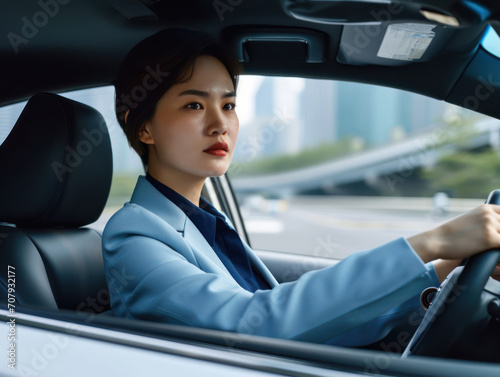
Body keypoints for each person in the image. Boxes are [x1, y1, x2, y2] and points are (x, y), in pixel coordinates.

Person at [102, 28, 500, 347]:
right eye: (194, 105)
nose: (219, 124)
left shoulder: (209, 221)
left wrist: (446, 265)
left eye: (228, 105)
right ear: (144, 127)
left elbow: (317, 326)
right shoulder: (133, 234)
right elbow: (252, 325)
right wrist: (434, 241)